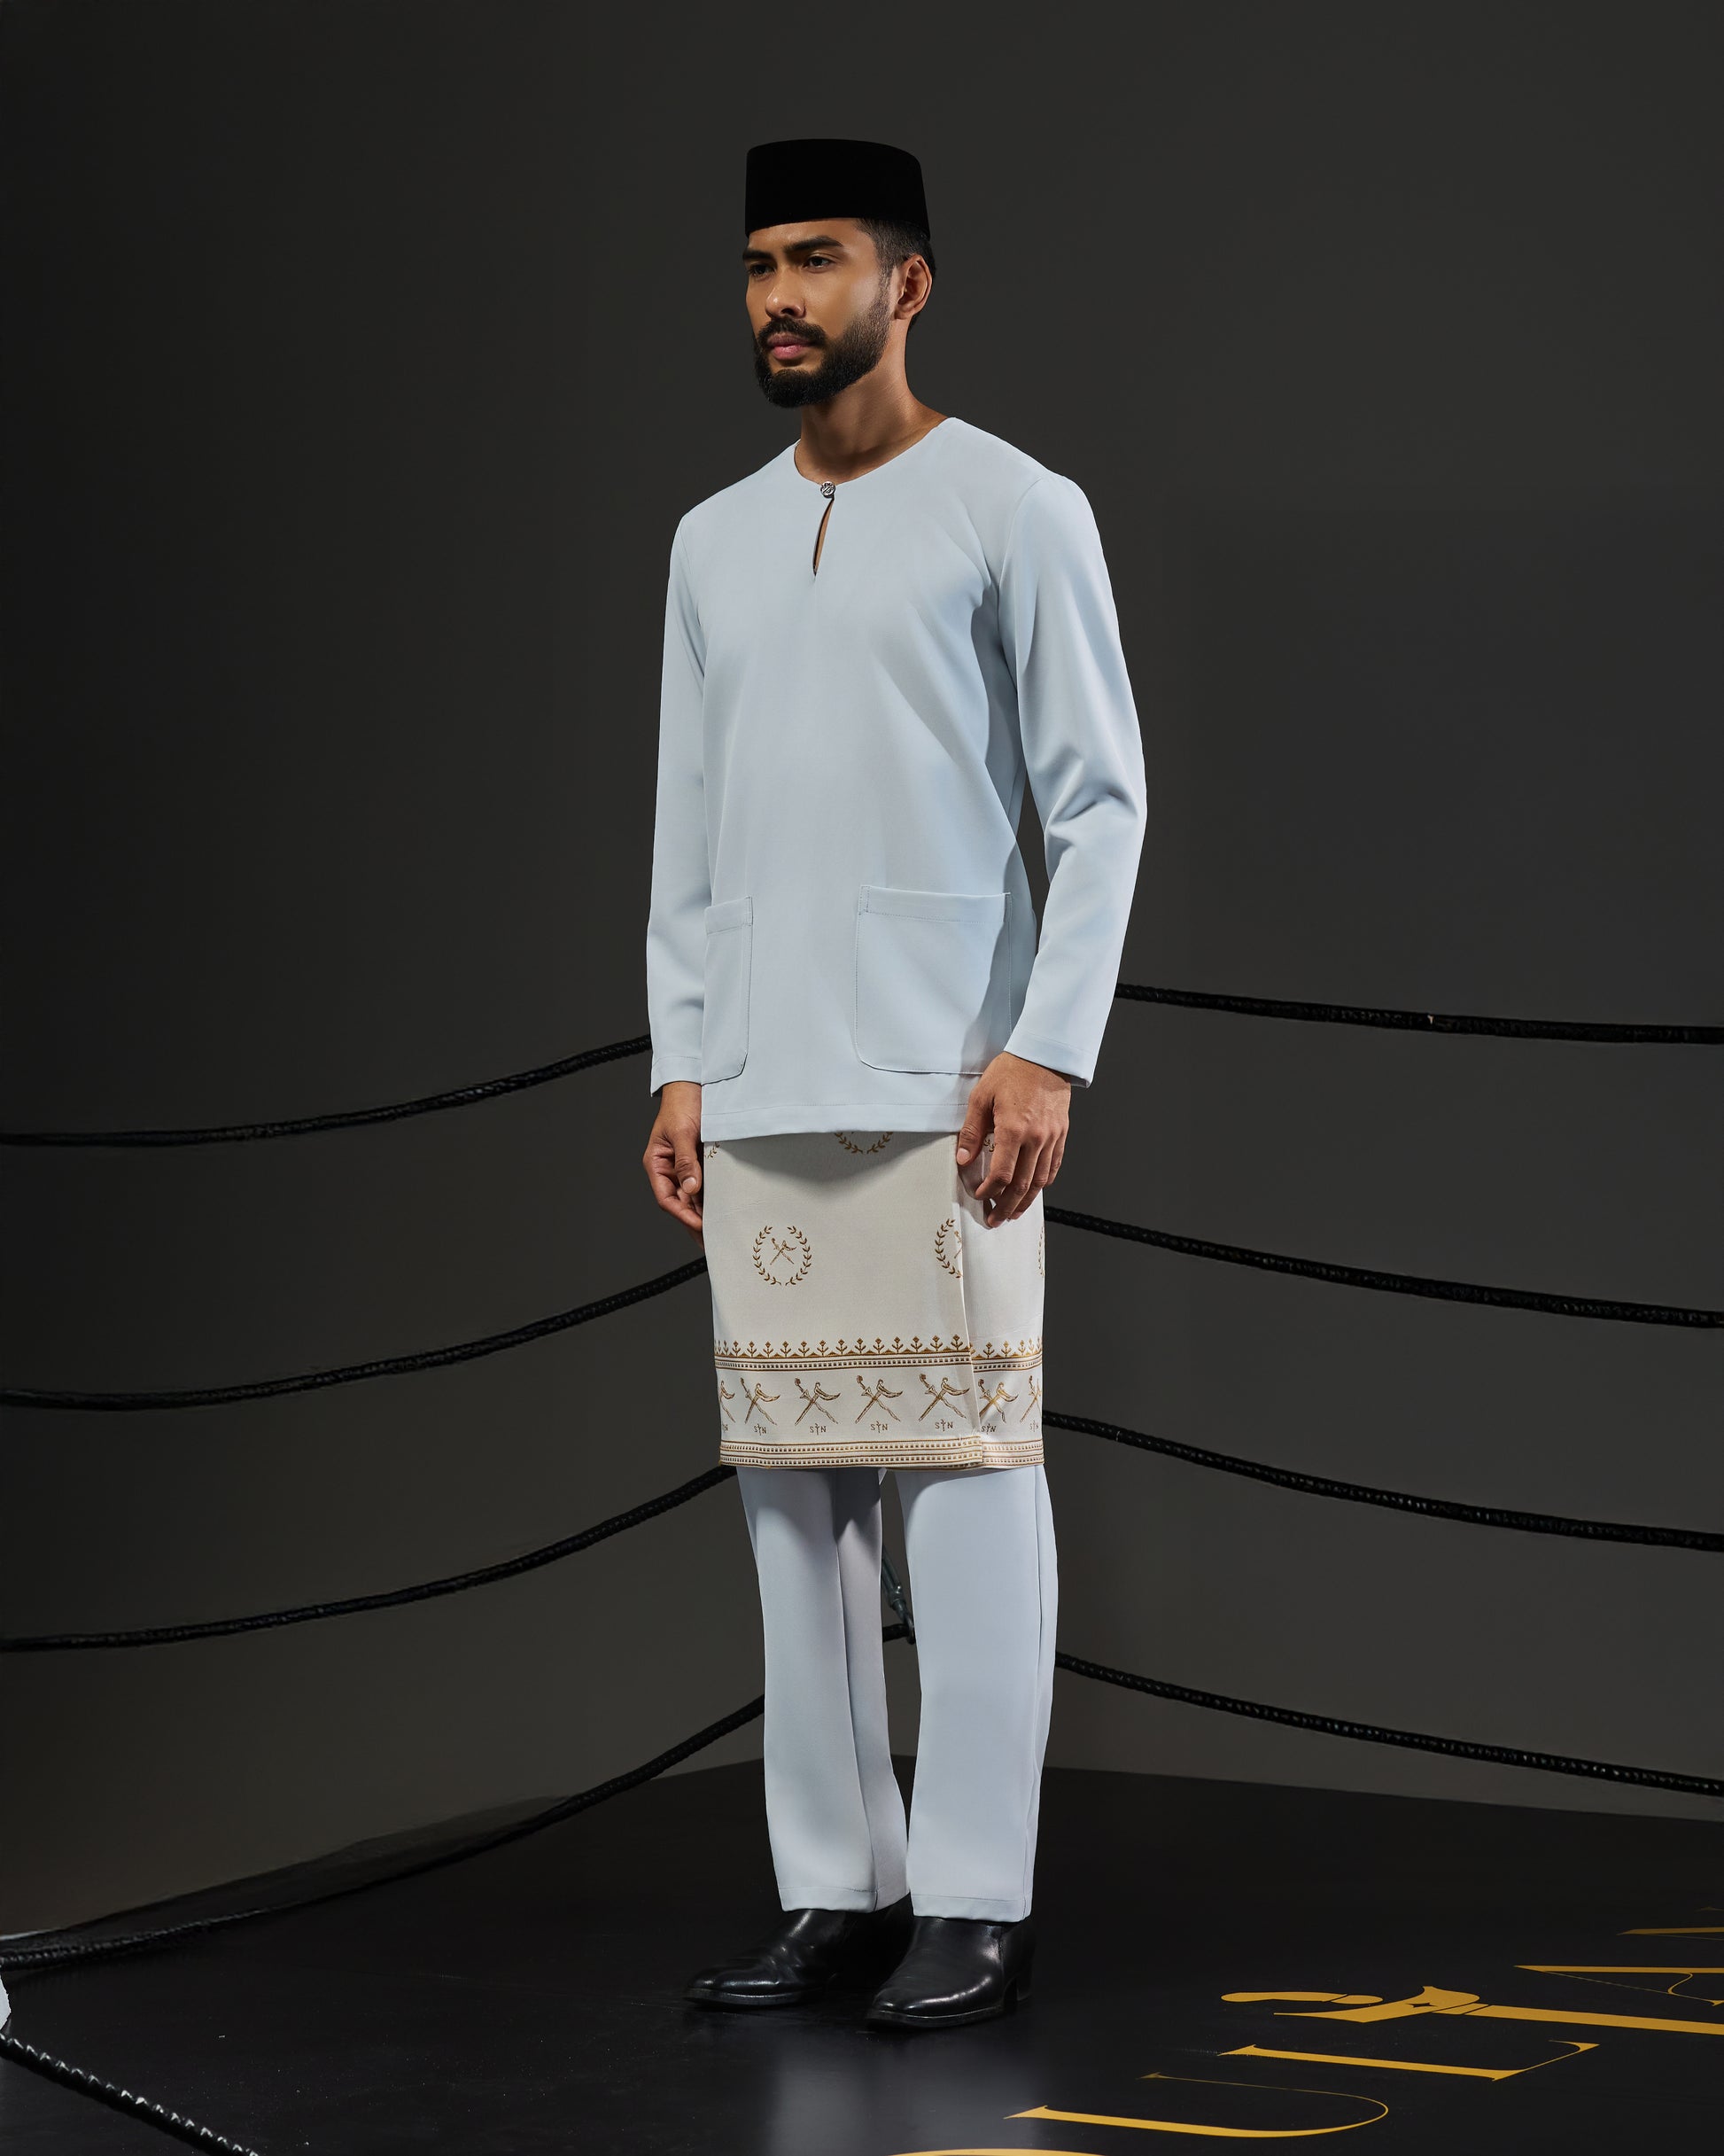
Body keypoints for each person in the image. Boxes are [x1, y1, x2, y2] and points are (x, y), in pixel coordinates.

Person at [641, 136, 1145, 2030]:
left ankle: (976, 1894)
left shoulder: (1015, 505)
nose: (779, 296)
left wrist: (1047, 1043)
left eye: (817, 258)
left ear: (905, 284)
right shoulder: (711, 537)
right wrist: (679, 1057)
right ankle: (834, 1887)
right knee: (790, 1500)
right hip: (757, 1074)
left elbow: (1099, 800)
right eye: (757, 263)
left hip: (952, 1078)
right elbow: (687, 824)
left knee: (970, 1478)